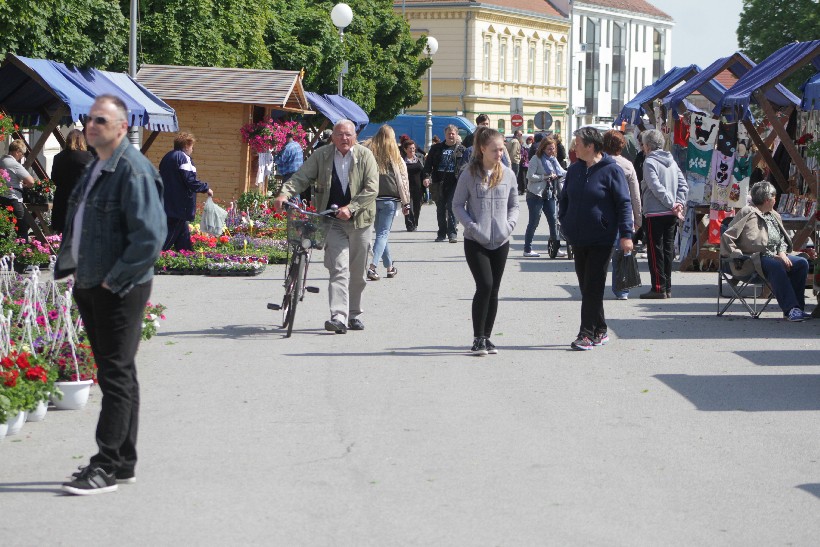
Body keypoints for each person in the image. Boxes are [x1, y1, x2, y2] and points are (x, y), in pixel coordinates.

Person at [56, 94, 166, 495]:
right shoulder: (97, 165)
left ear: (122, 127)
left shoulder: (132, 170)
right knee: (119, 373)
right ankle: (123, 463)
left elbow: (150, 239)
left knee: (115, 375)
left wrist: (112, 281)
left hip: (119, 286)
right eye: (89, 119)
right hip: (93, 282)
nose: (91, 125)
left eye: (101, 120)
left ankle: (105, 465)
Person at [274, 119, 378, 334]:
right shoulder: (322, 155)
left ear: (355, 136)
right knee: (338, 268)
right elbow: (302, 176)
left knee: (358, 273)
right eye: (339, 134)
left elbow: (371, 188)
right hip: (332, 221)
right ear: (333, 137)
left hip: (360, 222)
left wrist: (352, 207)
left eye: (348, 134)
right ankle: (338, 316)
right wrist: (285, 192)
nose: (344, 138)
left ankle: (354, 313)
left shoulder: (365, 156)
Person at [559, 126, 633, 351]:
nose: (574, 147)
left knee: (593, 285)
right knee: (586, 286)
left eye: (578, 143)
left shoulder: (612, 170)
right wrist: (565, 221)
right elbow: (565, 198)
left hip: (602, 237)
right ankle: (600, 329)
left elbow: (624, 203)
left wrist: (626, 234)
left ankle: (586, 334)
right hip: (578, 238)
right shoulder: (574, 169)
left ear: (591, 146)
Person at [452, 127, 519, 356]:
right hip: (476, 241)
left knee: (495, 289)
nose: (500, 153)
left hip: (501, 240)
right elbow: (457, 204)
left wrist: (509, 226)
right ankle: (477, 337)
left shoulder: (508, 174)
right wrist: (472, 227)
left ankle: (487, 337)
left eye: (502, 149)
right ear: (482, 149)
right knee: (485, 285)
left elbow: (514, 205)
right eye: (495, 149)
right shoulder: (469, 174)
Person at [721, 181, 812, 322]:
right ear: (767, 199)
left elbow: (782, 238)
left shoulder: (774, 214)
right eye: (774, 197)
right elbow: (728, 236)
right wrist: (735, 254)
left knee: (801, 263)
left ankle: (797, 308)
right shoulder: (747, 212)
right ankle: (790, 308)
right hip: (752, 259)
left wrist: (781, 252)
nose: (776, 199)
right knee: (775, 266)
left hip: (775, 255)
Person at [640, 128, 688, 299]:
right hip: (670, 213)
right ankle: (666, 287)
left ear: (647, 146)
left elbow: (655, 186)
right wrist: (678, 204)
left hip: (655, 211)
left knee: (655, 250)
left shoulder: (650, 162)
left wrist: (672, 203)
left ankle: (658, 287)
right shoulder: (672, 161)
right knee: (667, 250)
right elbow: (683, 185)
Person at [366, 125, 410, 281]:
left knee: (380, 234)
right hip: (389, 199)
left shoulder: (369, 151)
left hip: (372, 198)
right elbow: (403, 180)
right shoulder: (395, 154)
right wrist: (406, 203)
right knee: (383, 234)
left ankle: (390, 267)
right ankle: (372, 267)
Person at [603, 130, 642, 300]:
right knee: (621, 253)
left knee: (601, 254)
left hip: (603, 215)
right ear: (622, 146)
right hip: (623, 215)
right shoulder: (627, 165)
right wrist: (638, 218)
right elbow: (635, 195)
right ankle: (621, 291)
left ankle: (594, 287)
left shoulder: (599, 163)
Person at [159, 132, 213, 252]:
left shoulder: (167, 157)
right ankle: (153, 260)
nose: (192, 149)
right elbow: (190, 181)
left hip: (167, 202)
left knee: (183, 238)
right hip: (180, 205)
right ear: (187, 145)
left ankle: (186, 256)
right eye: (192, 146)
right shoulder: (183, 158)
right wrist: (206, 188)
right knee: (168, 237)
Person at [523, 137, 566, 258]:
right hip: (535, 194)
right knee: (534, 221)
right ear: (543, 148)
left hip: (550, 194)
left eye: (553, 149)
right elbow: (530, 176)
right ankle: (527, 249)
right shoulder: (536, 159)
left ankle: (556, 249)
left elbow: (561, 171)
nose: (551, 151)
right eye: (549, 149)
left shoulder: (553, 160)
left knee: (553, 221)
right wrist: (545, 177)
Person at [423, 125, 466, 243]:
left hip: (455, 182)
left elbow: (466, 167)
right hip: (438, 182)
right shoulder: (436, 148)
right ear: (445, 134)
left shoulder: (462, 149)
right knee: (440, 208)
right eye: (449, 133)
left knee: (452, 207)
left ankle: (452, 233)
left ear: (457, 135)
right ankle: (441, 233)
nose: (451, 136)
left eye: (453, 134)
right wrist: (426, 177)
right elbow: (428, 165)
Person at [49, 130, 94, 234]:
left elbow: (54, 178)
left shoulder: (58, 157)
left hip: (63, 198)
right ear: (82, 141)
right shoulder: (87, 157)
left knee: (64, 232)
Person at [0, 139, 35, 238]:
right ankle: (22, 252)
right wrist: (24, 185)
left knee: (4, 228)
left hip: (1, 198)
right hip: (13, 199)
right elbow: (31, 181)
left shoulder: (1, 161)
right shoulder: (14, 164)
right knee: (22, 229)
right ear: (17, 151)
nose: (22, 156)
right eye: (22, 154)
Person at [402, 139, 426, 232]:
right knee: (409, 206)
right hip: (406, 187)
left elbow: (424, 171)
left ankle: (415, 223)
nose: (412, 150)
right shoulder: (402, 160)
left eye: (413, 148)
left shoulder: (420, 158)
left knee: (417, 207)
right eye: (410, 148)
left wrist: (426, 178)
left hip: (419, 187)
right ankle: (409, 225)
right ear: (405, 149)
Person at [506, 129, 523, 194]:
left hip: (512, 161)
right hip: (515, 161)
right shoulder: (516, 142)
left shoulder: (512, 140)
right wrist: (514, 161)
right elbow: (513, 153)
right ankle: (512, 191)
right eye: (520, 134)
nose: (521, 136)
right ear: (517, 135)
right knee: (514, 177)